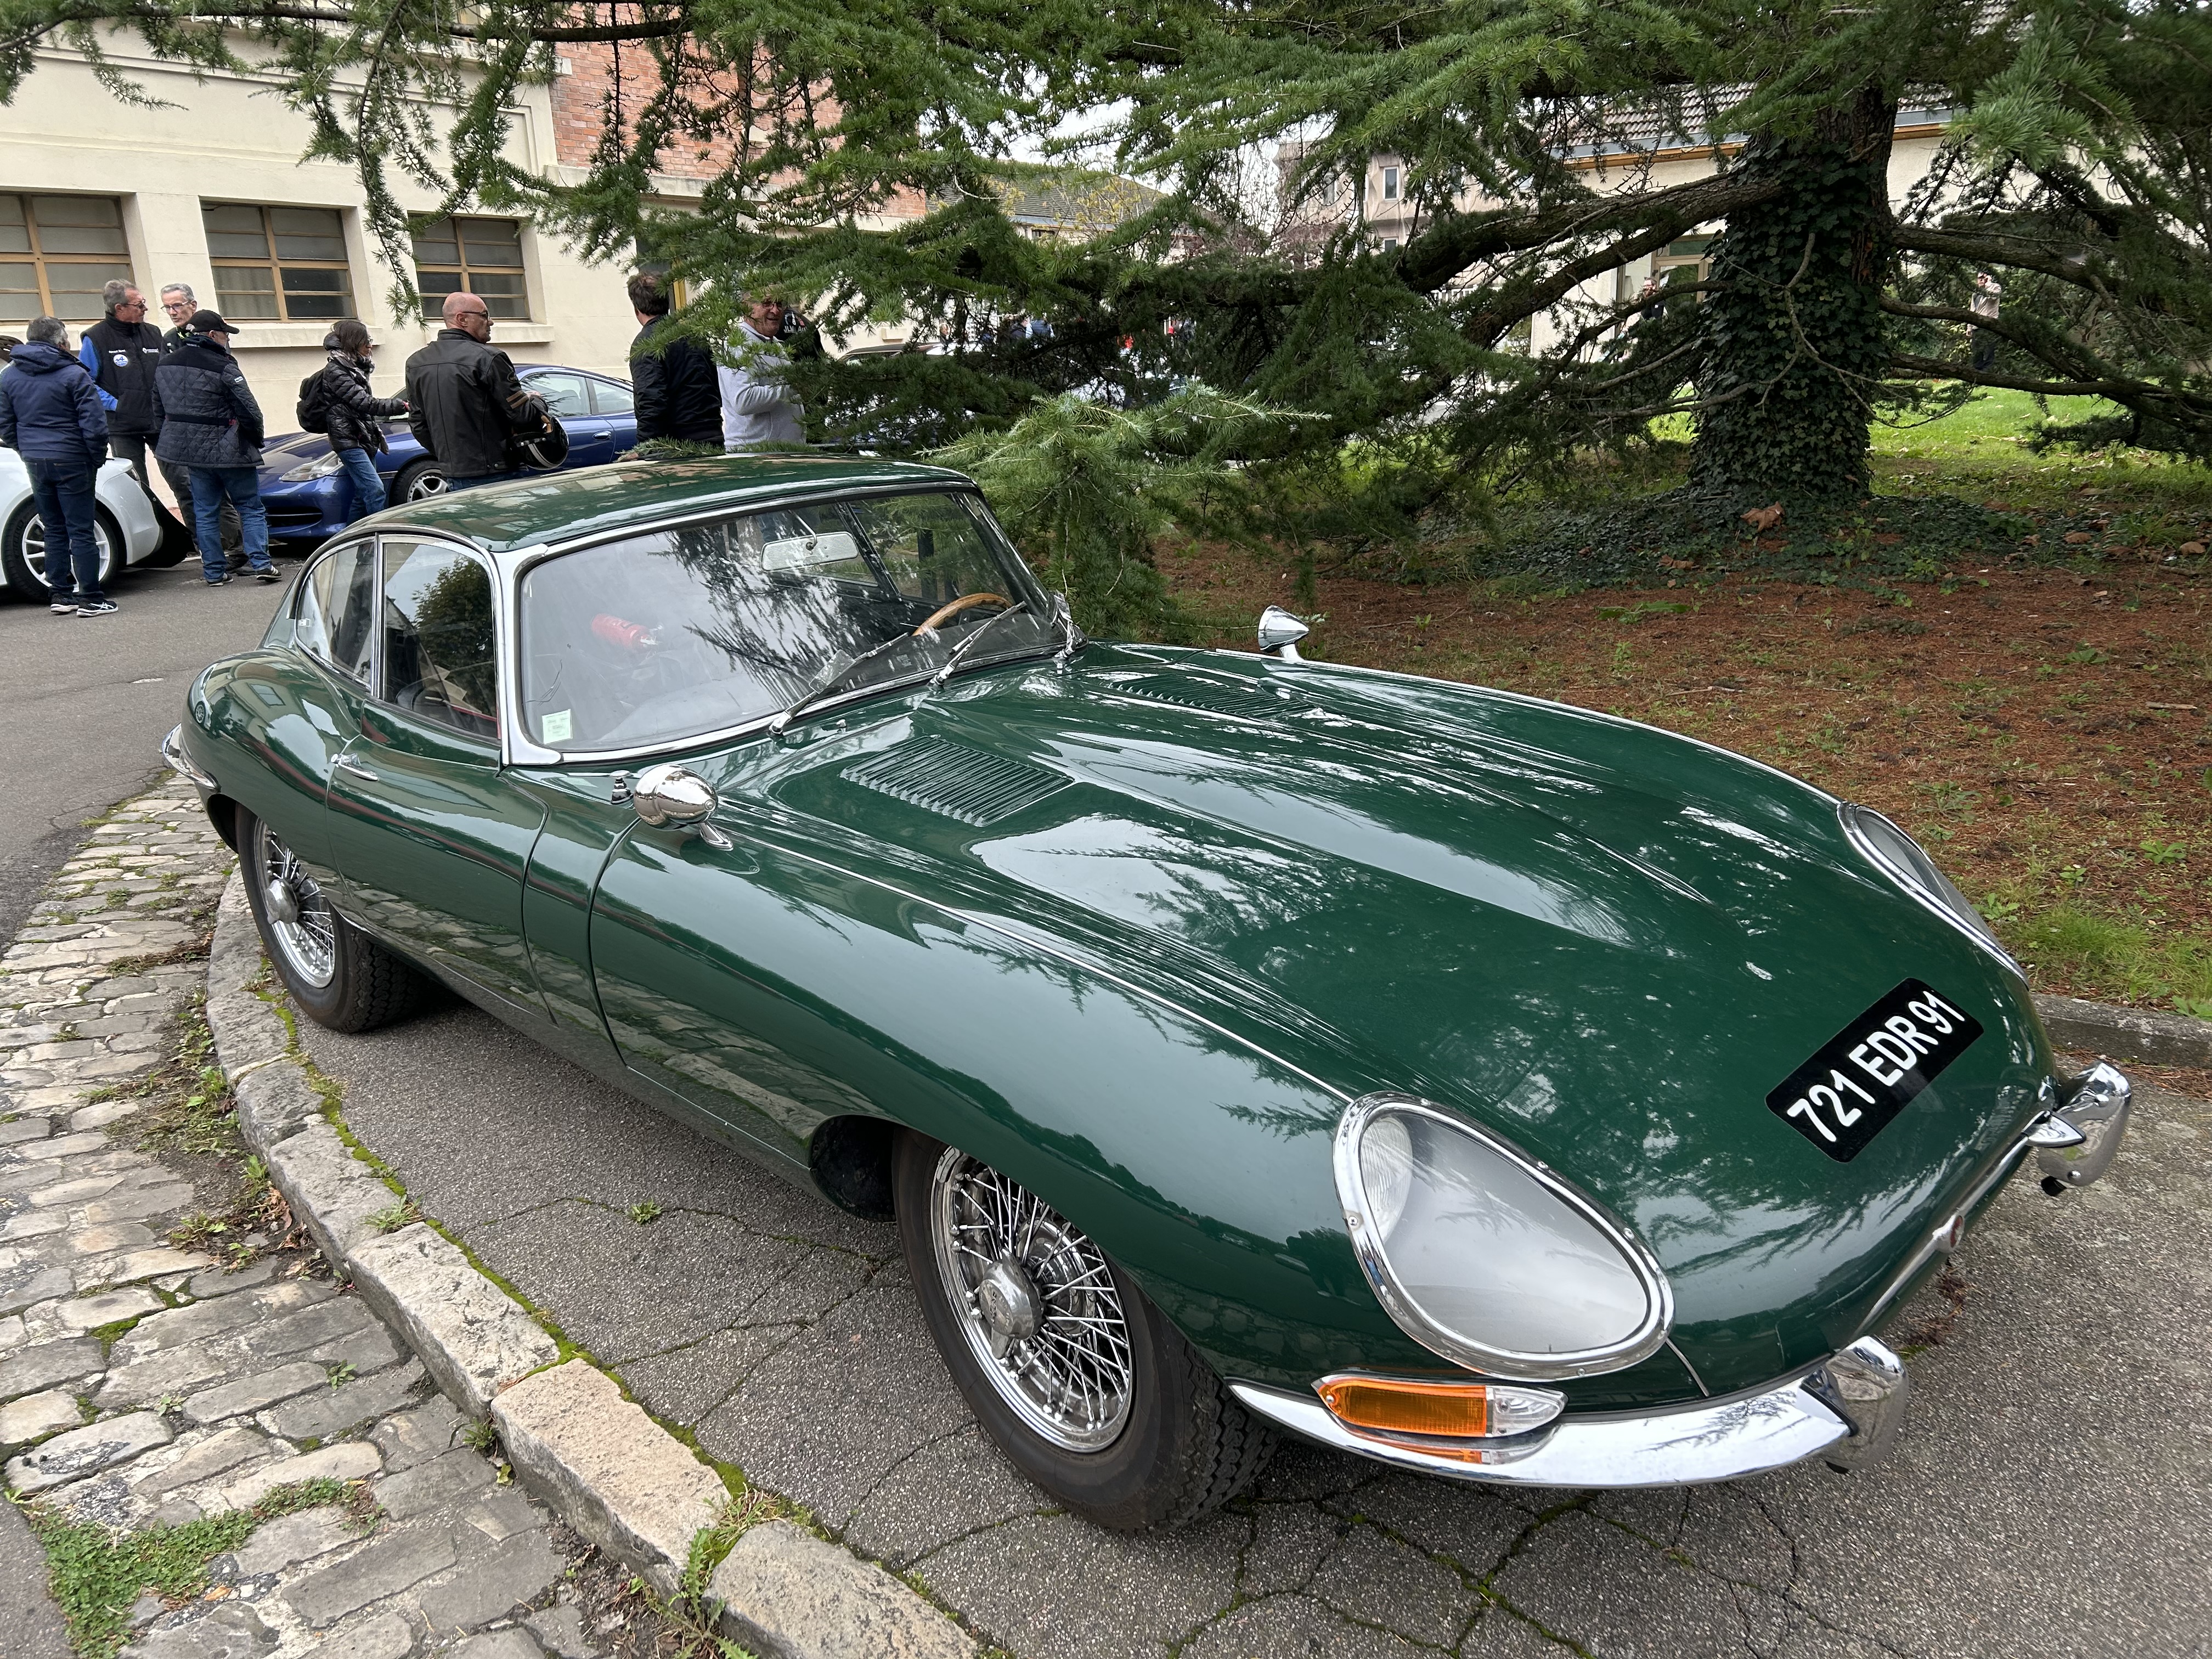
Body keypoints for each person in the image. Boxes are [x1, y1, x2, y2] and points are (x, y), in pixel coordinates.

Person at [0, 316, 114, 615]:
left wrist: (25, 450)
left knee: (53, 527)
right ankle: (91, 597)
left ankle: (60, 594)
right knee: (81, 529)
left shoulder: (9, 376)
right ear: (61, 342)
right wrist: (96, 456)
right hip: (73, 459)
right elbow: (95, 424)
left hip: (36, 460)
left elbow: (6, 424)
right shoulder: (74, 374)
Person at [153, 308, 276, 585]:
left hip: (193, 453)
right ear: (212, 335)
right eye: (224, 334)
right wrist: (255, 439)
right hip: (232, 450)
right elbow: (250, 410)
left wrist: (176, 440)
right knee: (250, 507)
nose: (227, 339)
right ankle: (262, 564)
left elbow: (158, 410)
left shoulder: (165, 365)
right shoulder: (224, 365)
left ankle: (213, 572)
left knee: (205, 511)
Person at [404, 291, 545, 491]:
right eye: (484, 315)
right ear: (462, 319)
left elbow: (418, 424)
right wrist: (537, 401)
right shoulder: (489, 358)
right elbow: (523, 417)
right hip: (497, 473)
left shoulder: (416, 362)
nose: (491, 322)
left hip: (454, 474)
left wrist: (451, 459)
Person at [154, 281, 237, 556]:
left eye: (177, 306)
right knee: (186, 491)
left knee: (219, 492)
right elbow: (164, 386)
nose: (172, 312)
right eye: (167, 307)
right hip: (180, 428)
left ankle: (238, 549)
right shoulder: (169, 340)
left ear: (192, 305)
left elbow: (224, 379)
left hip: (212, 425)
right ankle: (207, 551)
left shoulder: (213, 331)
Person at [80, 281, 168, 505]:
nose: (145, 308)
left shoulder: (153, 333)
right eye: (139, 305)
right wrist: (116, 405)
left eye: (143, 303)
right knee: (136, 490)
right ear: (119, 308)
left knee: (184, 481)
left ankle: (196, 528)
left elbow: (168, 373)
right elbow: (85, 382)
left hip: (160, 421)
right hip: (123, 427)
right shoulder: (95, 338)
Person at [317, 320, 408, 522]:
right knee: (375, 490)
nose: (370, 345)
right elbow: (364, 403)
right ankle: (378, 532)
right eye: (365, 341)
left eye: (370, 340)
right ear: (353, 342)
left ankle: (352, 538)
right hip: (347, 440)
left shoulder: (355, 366)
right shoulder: (336, 370)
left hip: (363, 436)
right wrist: (399, 406)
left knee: (362, 494)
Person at [627, 273, 720, 445]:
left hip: (676, 445)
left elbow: (651, 400)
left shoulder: (646, 344)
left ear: (636, 308)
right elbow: (715, 384)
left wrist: (645, 446)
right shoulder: (695, 335)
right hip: (713, 434)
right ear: (667, 301)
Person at [719, 295, 805, 450]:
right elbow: (744, 400)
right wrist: (794, 387)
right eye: (767, 303)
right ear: (746, 307)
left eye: (780, 304)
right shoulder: (738, 343)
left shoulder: (775, 344)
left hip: (779, 454)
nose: (776, 310)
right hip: (756, 455)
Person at [1970, 271, 2001, 371]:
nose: (1981, 280)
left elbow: (1993, 297)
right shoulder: (1976, 293)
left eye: (1983, 278)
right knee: (1977, 351)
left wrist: (1989, 284)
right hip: (1977, 325)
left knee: (1989, 350)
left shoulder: (1995, 287)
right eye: (1979, 278)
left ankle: (1987, 372)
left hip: (1990, 324)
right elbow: (1972, 310)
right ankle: (1977, 373)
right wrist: (1969, 327)